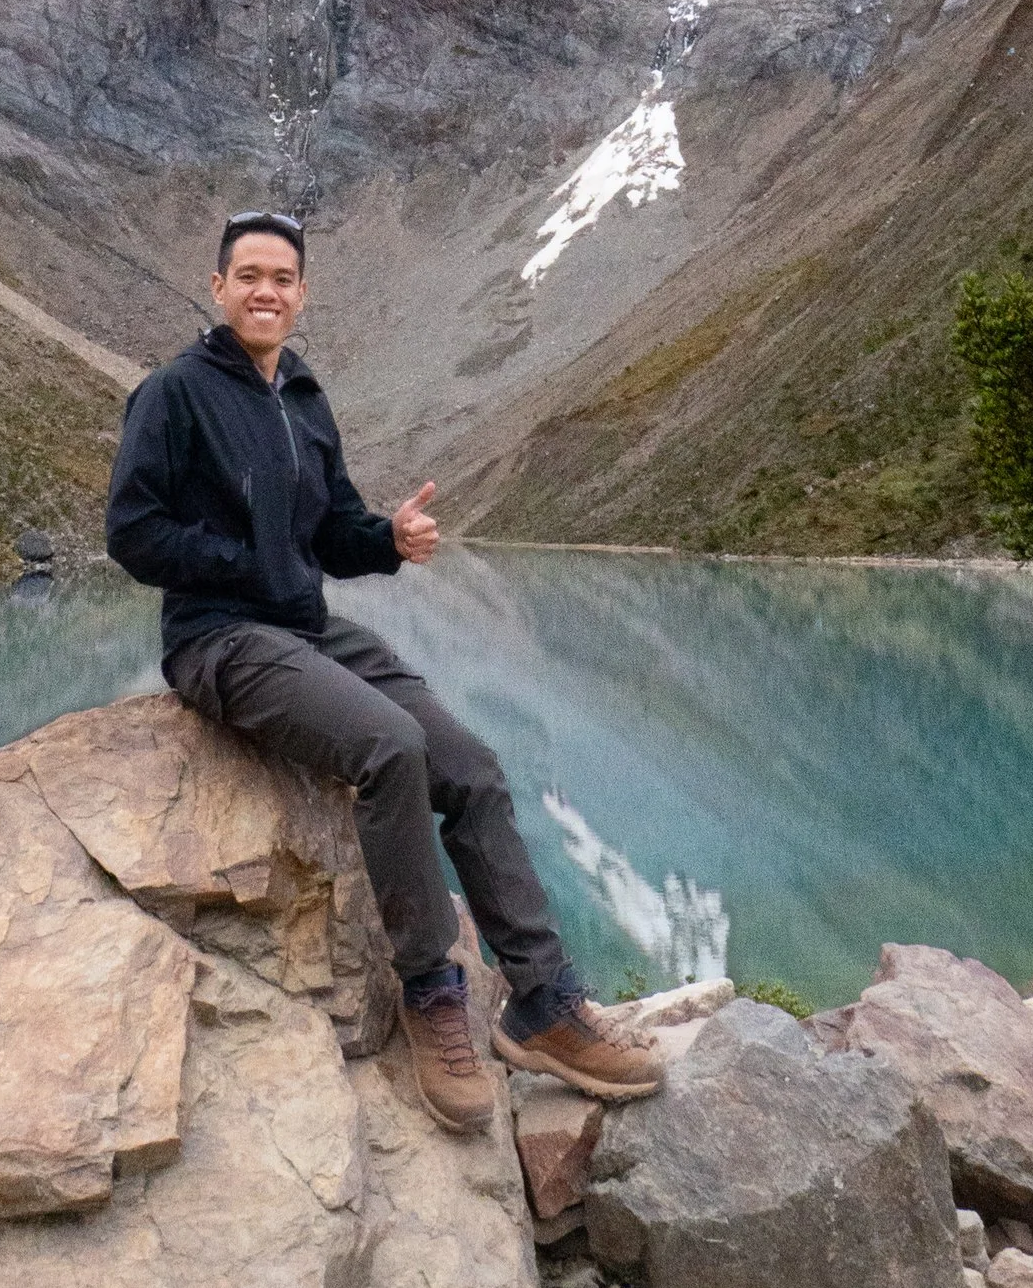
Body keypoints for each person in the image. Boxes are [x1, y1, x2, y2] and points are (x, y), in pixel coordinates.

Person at [105, 207, 663, 1137]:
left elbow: (330, 533)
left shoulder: (303, 399)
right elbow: (133, 532)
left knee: (473, 768)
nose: (265, 292)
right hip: (218, 640)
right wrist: (249, 566)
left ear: (302, 294)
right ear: (217, 288)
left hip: (307, 628)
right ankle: (432, 992)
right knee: (389, 747)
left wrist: (389, 541)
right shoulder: (173, 393)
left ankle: (544, 1003)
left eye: (282, 279)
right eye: (248, 275)